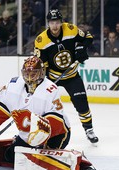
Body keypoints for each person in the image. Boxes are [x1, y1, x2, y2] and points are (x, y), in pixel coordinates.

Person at [0, 56, 100, 170]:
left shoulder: (50, 90)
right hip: (27, 136)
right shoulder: (12, 86)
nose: (30, 78)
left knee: (36, 160)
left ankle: (82, 166)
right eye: (27, 73)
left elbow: (57, 123)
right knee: (10, 156)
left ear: (41, 73)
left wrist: (41, 133)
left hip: (56, 135)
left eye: (33, 73)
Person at [34, 9, 99, 144]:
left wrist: (81, 48)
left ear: (61, 22)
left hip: (71, 75)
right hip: (52, 77)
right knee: (42, 103)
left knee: (81, 102)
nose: (55, 26)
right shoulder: (41, 40)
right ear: (48, 24)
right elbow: (42, 64)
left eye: (57, 22)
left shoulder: (71, 29)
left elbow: (88, 37)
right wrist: (44, 83)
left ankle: (89, 129)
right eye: (52, 23)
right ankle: (39, 130)